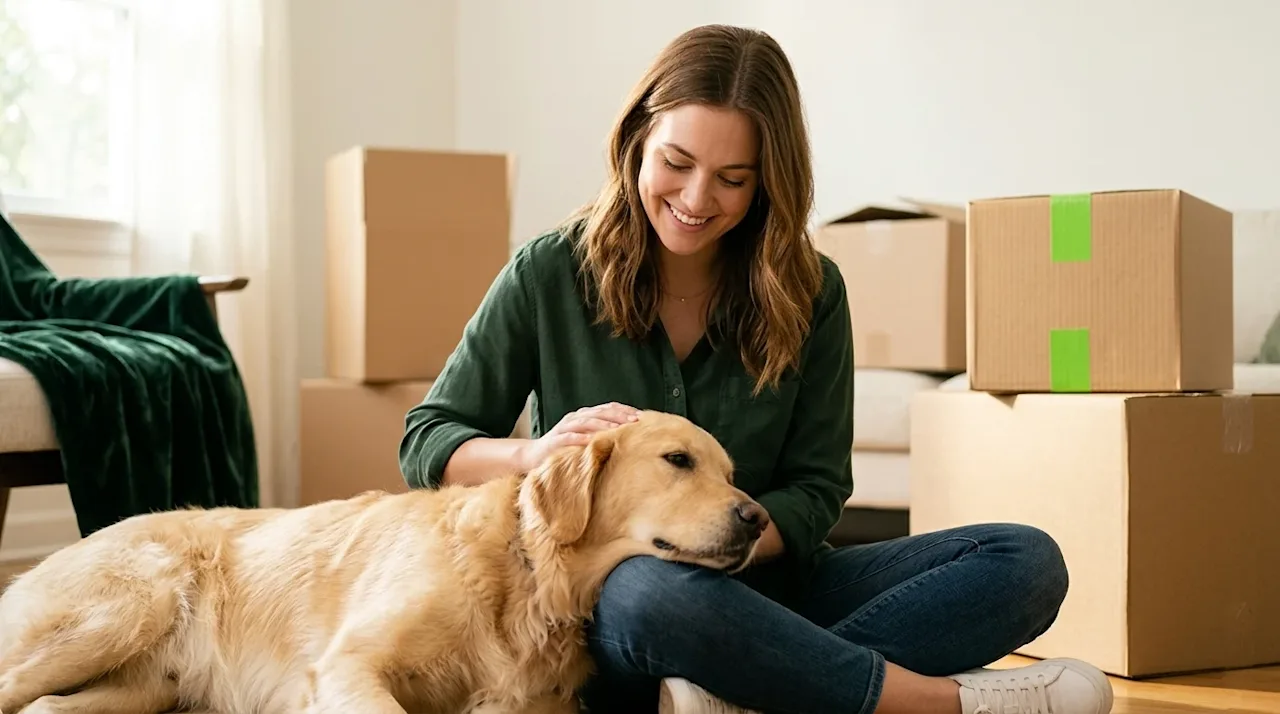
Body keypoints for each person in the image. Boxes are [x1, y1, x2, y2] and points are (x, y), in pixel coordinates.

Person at [399, 23, 1114, 714]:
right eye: (676, 164)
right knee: (651, 591)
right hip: (618, 609)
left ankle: (738, 692)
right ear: (637, 141)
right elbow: (427, 439)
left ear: (768, 182)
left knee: (1024, 561)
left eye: (732, 179)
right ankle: (927, 703)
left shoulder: (813, 290)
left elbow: (819, 486)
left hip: (773, 585)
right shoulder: (550, 272)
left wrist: (727, 541)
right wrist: (533, 452)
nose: (695, 199)